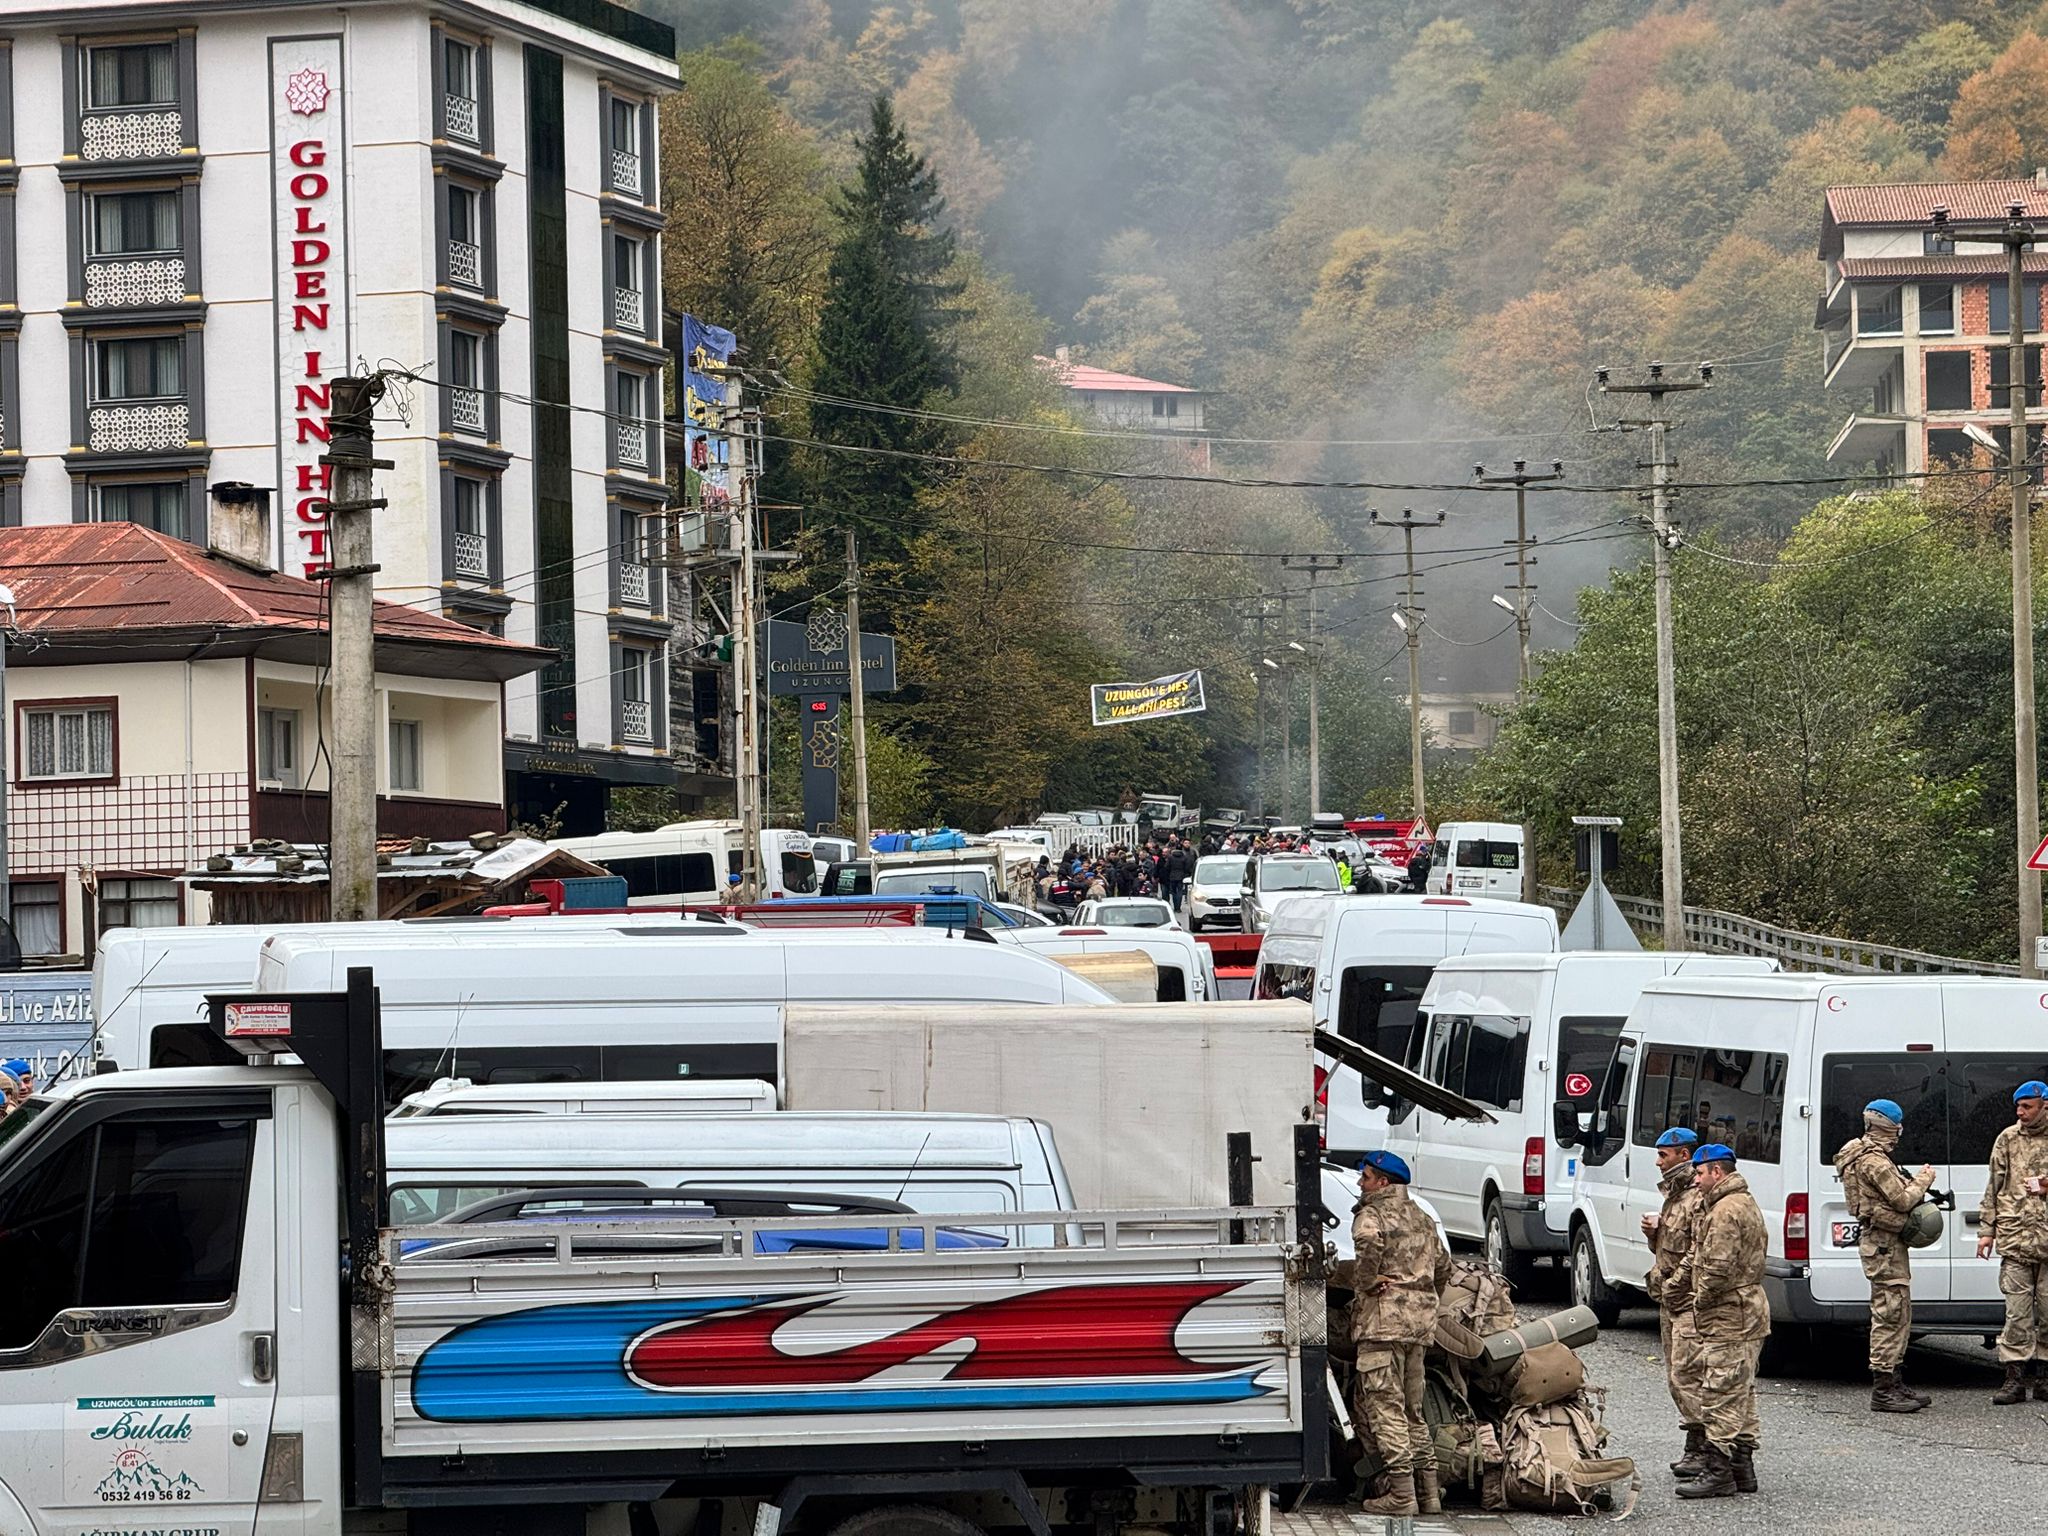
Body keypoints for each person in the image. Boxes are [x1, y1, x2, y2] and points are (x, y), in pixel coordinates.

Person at [1349, 1148, 1452, 1517]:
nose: (1361, 1183)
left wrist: (1366, 1280)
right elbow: (1444, 1267)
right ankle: (1429, 1494)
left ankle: (1401, 1496)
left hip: (1382, 1325)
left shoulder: (1372, 1214)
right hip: (1418, 1327)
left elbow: (1367, 1242)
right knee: (1412, 1411)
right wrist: (1422, 1294)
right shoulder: (1423, 1218)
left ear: (1383, 1182)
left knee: (1385, 1409)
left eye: (1365, 1177)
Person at [1675, 1142, 1770, 1500]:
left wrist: (1699, 1301)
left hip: (1730, 1314)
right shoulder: (1741, 1202)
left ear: (1717, 1172)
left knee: (1719, 1390)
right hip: (1745, 1311)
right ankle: (1742, 1468)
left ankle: (1718, 1470)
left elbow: (1715, 1268)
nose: (1696, 1180)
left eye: (1700, 1173)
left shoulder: (1725, 1210)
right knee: (1741, 1392)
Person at [1833, 1097, 1936, 1412]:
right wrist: (1923, 1180)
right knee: (1889, 1314)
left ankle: (1895, 1381)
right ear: (1891, 1129)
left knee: (1898, 1312)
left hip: (1884, 1243)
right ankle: (1883, 1389)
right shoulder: (1874, 1161)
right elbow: (1902, 1200)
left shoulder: (1859, 1152)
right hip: (1883, 1245)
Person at [1642, 1127, 1709, 1478]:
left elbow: (1699, 1249)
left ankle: (1707, 1447)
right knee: (1676, 1375)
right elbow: (1673, 1246)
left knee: (1688, 1374)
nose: (1657, 1161)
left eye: (1663, 1155)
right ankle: (1696, 1445)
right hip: (1671, 1298)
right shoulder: (1675, 1195)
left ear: (1684, 1155)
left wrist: (1676, 1285)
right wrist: (1655, 1236)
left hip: (1688, 1299)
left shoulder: (1696, 1195)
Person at [1979, 1078, 2048, 1405]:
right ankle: (2014, 1379)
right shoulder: (2008, 1139)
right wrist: (1986, 1231)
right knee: (2016, 1312)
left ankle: (2045, 1379)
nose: (2020, 1113)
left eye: (2027, 1107)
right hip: (2016, 1239)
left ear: (2044, 1105)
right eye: (2018, 1107)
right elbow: (1992, 1187)